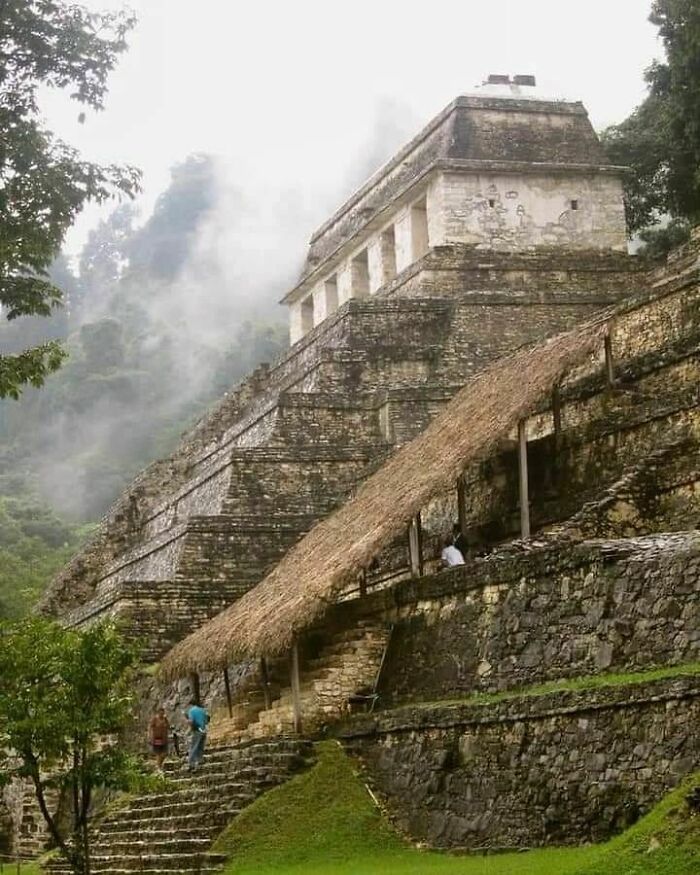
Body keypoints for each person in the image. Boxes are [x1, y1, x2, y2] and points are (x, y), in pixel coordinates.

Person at [185, 699, 209, 770]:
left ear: (191, 705)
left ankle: (191, 763)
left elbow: (191, 721)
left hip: (196, 730)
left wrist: (187, 721)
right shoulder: (203, 710)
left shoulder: (191, 711)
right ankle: (200, 760)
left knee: (194, 747)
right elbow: (207, 720)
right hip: (203, 730)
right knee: (200, 747)